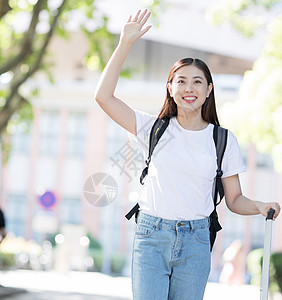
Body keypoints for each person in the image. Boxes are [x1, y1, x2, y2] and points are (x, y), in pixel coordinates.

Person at [94, 9, 281, 300]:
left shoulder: (222, 140)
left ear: (209, 90)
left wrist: (258, 205)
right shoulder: (152, 128)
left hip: (195, 242)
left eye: (197, 81)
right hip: (151, 237)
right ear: (170, 88)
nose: (188, 88)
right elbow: (103, 97)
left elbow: (233, 200)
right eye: (181, 81)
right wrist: (125, 44)